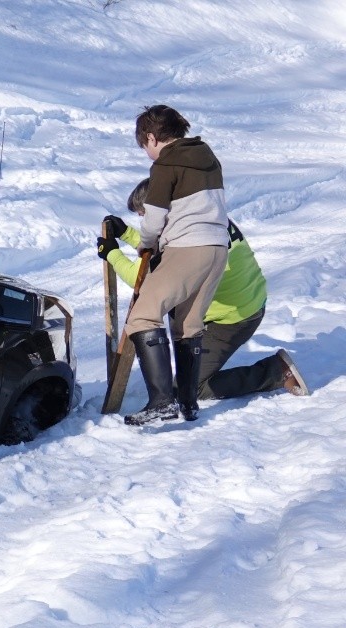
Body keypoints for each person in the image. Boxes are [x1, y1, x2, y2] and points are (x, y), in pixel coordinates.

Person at [99, 179, 309, 402]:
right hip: (244, 300)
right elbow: (158, 246)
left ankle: (276, 372)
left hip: (234, 318)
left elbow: (144, 280)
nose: (144, 221)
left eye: (144, 215)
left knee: (189, 388)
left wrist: (112, 253)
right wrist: (127, 234)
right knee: (175, 306)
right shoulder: (201, 216)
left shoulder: (188, 243)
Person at [114, 105, 231, 426]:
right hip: (218, 248)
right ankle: (188, 403)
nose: (146, 153)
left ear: (152, 137)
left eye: (144, 146)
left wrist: (147, 243)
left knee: (142, 317)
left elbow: (154, 217)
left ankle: (162, 402)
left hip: (187, 246)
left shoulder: (166, 163)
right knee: (188, 326)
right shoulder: (206, 156)